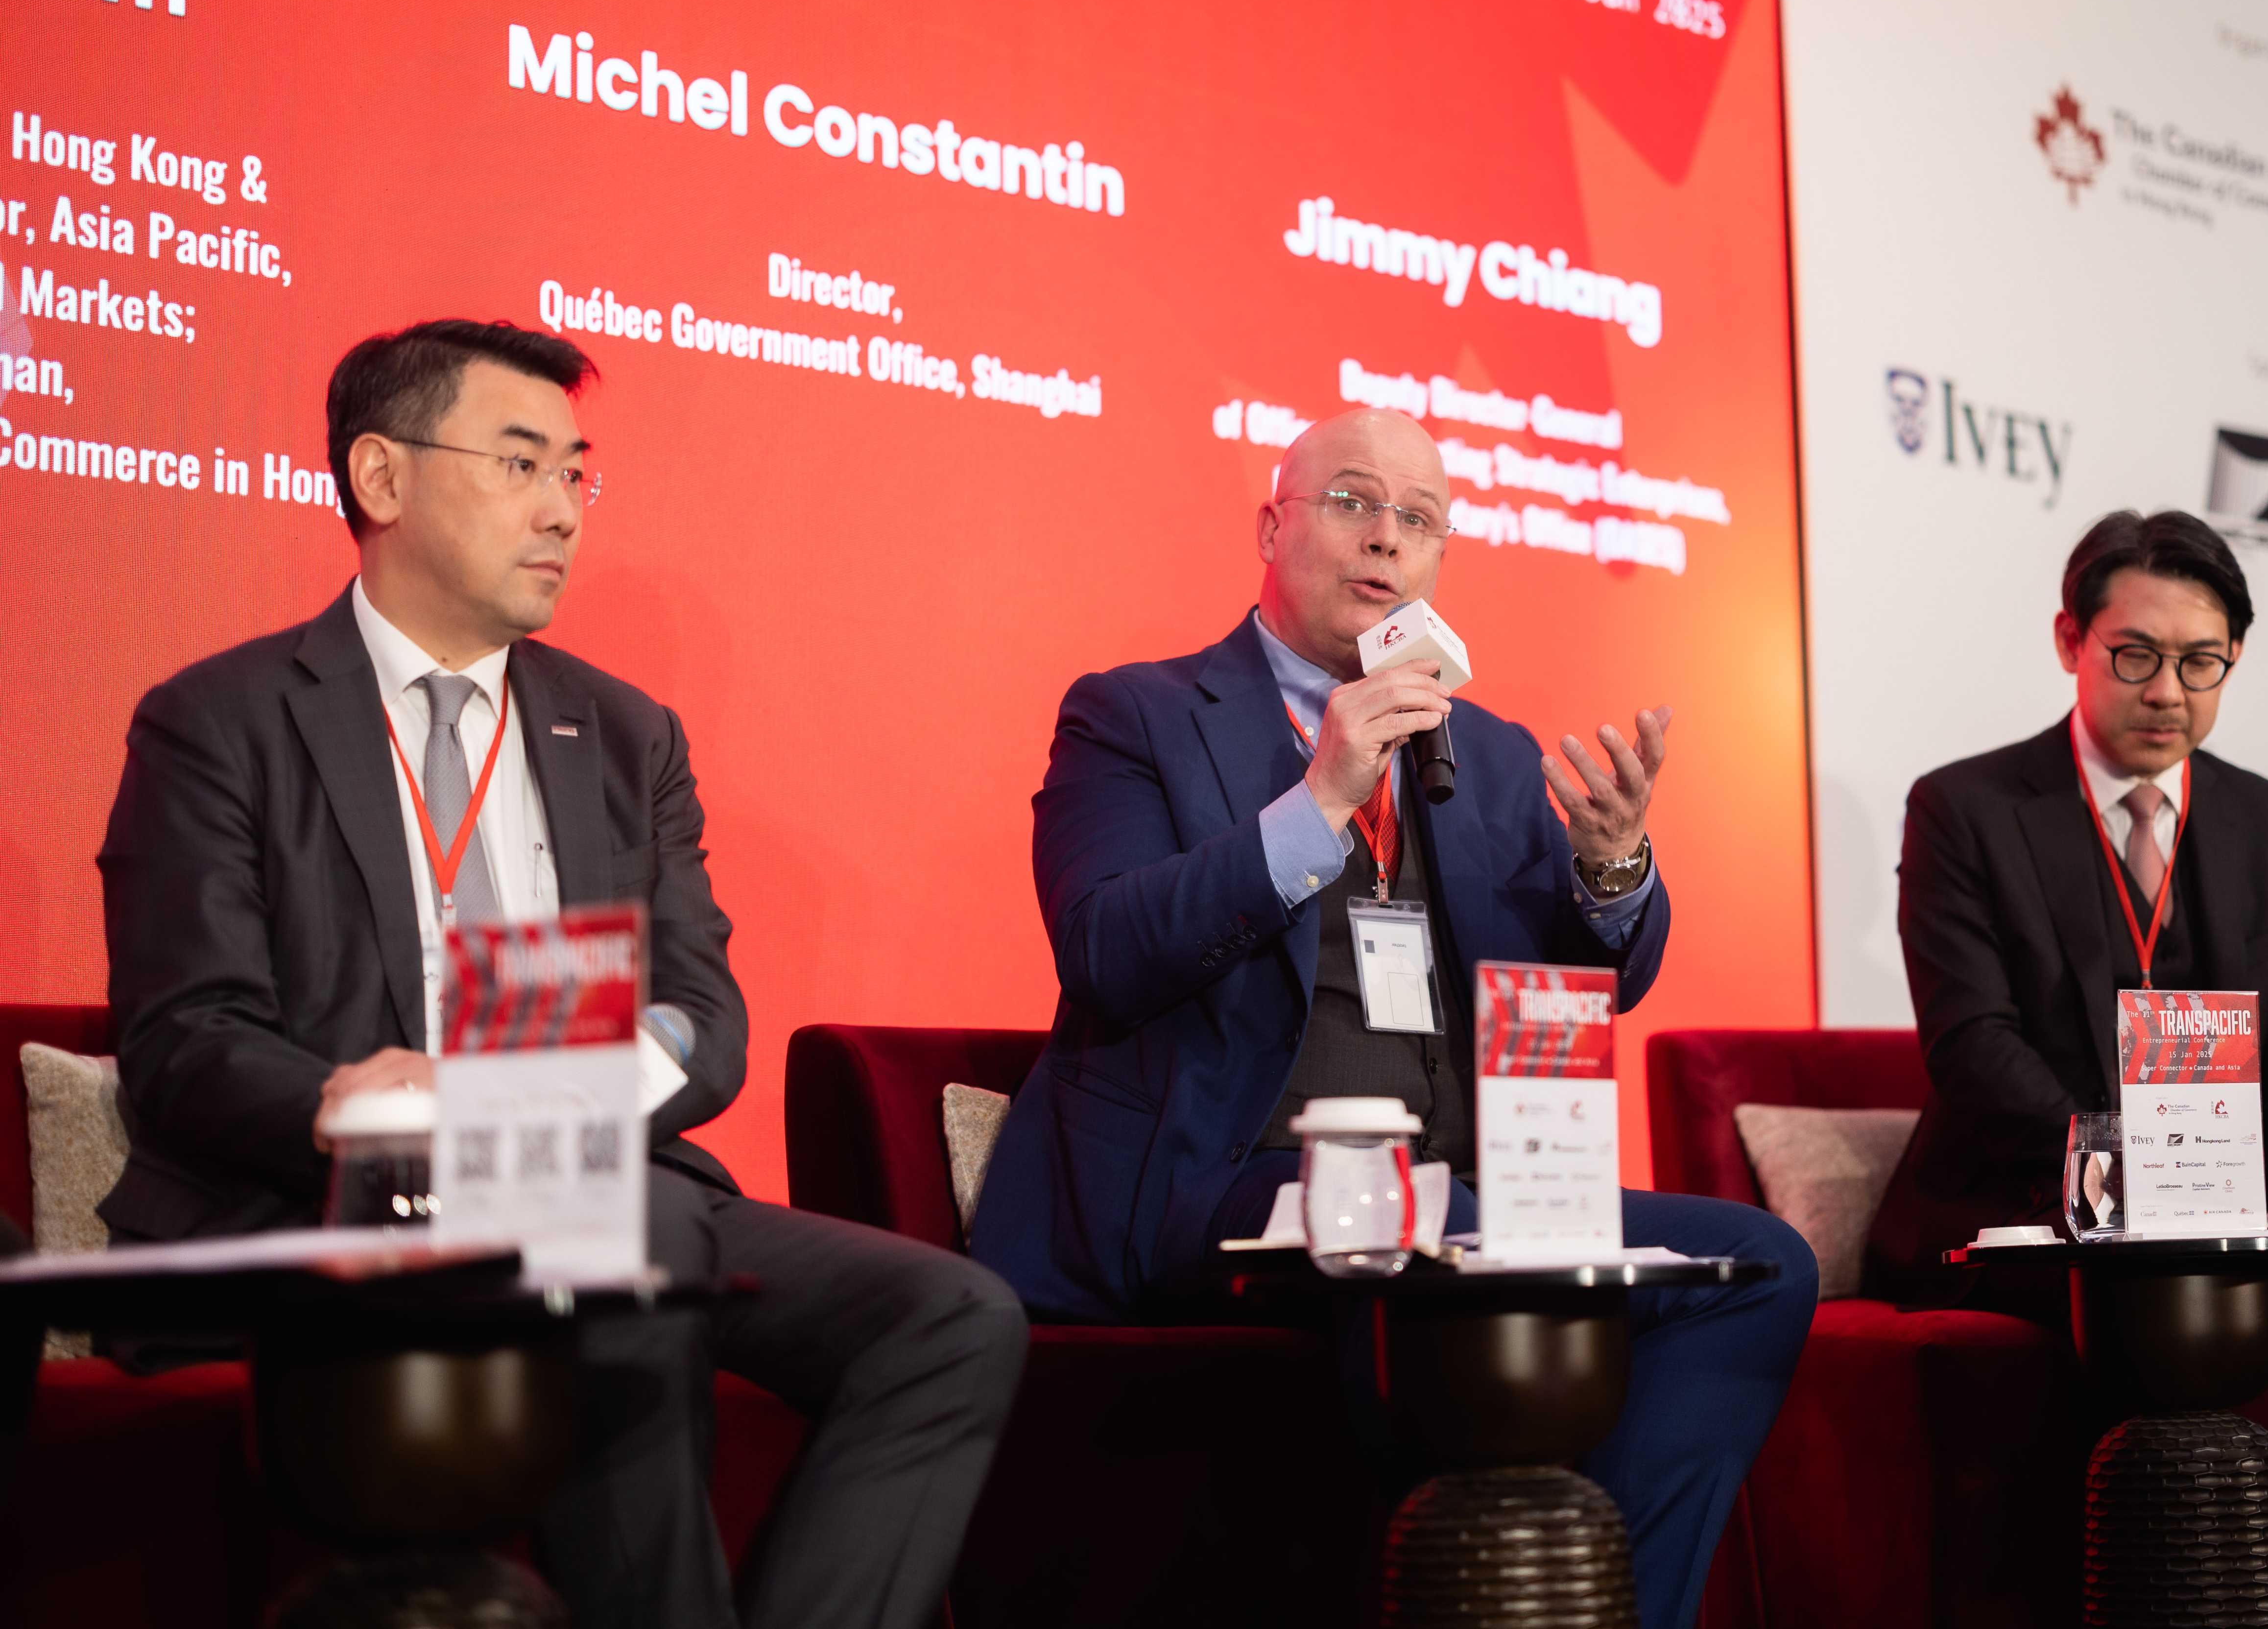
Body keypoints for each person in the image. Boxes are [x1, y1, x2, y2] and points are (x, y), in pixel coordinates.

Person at [95, 319, 1028, 1629]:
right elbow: (187, 1036)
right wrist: (370, 1106)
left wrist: (572, 1104)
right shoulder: (220, 721)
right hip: (337, 1201)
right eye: (522, 464)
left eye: (578, 474)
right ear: (381, 477)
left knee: (952, 1317)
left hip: (597, 1169)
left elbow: (703, 1020)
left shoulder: (626, 732)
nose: (564, 511)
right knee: (626, 1238)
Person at [977, 407, 1816, 1629]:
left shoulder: (1487, 755)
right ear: (1270, 528)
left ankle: (1602, 1610)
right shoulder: (1136, 715)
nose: (1385, 540)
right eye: (1352, 503)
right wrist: (1318, 800)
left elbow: (1598, 978)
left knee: (1759, 1266)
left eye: (1417, 520)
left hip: (1446, 1189)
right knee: (1445, 1248)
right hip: (1221, 1177)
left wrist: (1612, 870)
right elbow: (1106, 948)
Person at [1862, 508, 2268, 1629]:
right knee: (2153, 1296)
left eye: (2202, 663)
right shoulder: (1965, 809)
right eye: (2135, 656)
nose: (2168, 693)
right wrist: (2136, 1178)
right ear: (2069, 641)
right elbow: (1974, 1049)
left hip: (2229, 1202)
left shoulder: (2262, 818)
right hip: (2034, 1206)